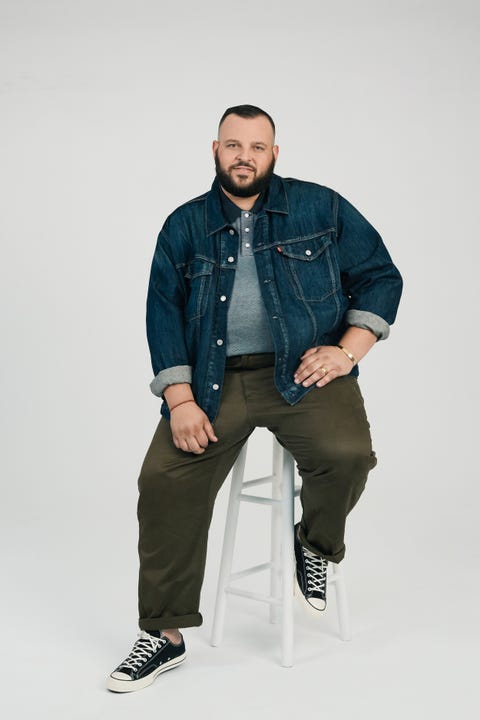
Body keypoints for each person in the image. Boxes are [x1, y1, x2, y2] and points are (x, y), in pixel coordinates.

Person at [107, 104, 402, 692]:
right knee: (164, 480)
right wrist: (181, 399)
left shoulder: (322, 207)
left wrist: (347, 351)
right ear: (214, 150)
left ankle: (315, 544)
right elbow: (161, 313)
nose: (245, 156)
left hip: (304, 373)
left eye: (257, 146)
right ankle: (163, 636)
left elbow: (381, 275)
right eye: (234, 145)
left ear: (275, 152)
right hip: (214, 383)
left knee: (347, 455)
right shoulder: (184, 225)